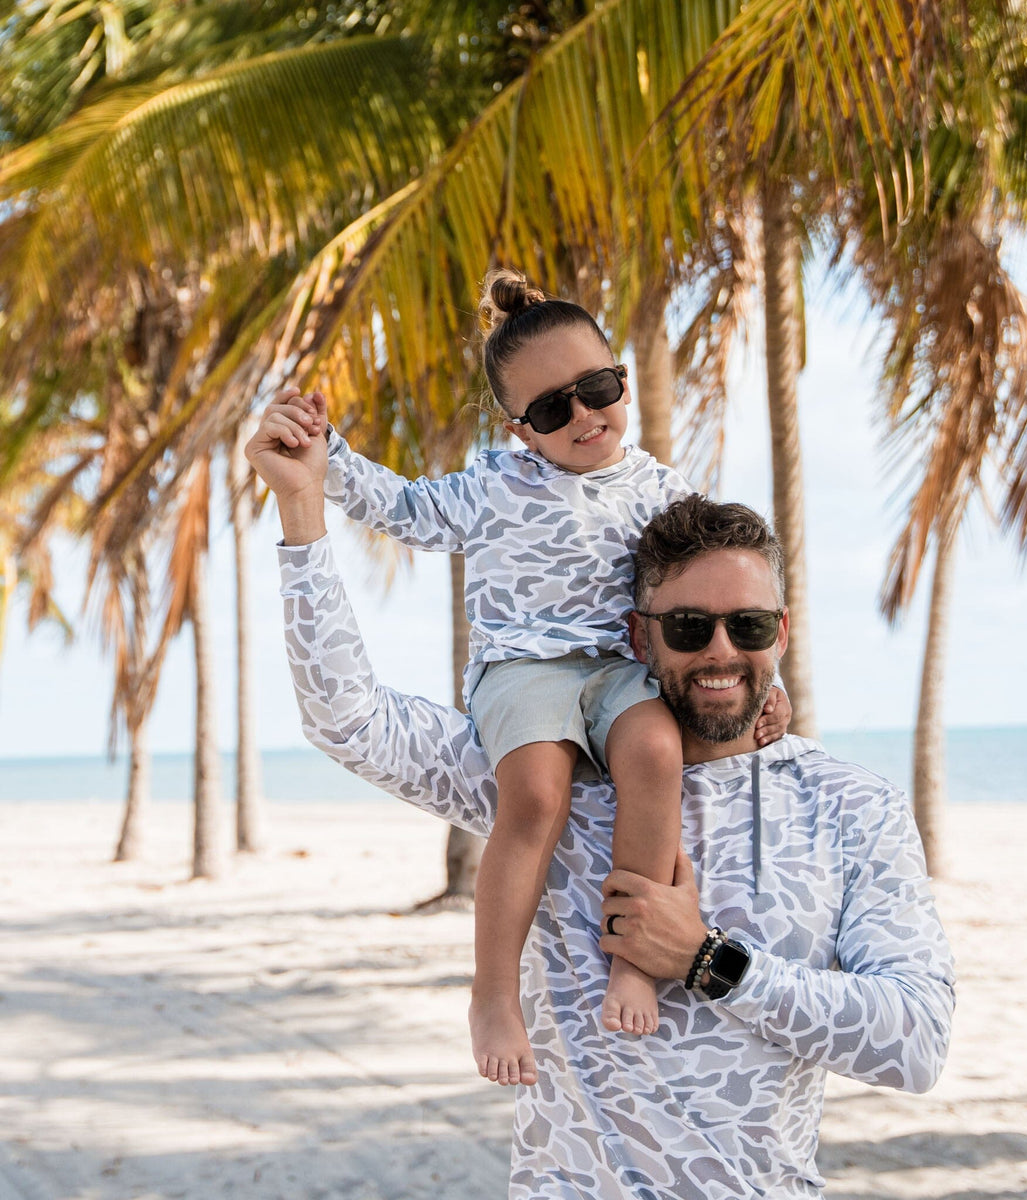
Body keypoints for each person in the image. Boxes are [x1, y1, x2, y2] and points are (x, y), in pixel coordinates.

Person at [247, 396, 956, 1196]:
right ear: (639, 636)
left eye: (749, 627)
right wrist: (304, 511)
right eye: (690, 627)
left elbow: (916, 1044)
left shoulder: (850, 806)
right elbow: (348, 720)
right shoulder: (553, 784)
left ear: (781, 633)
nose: (722, 651)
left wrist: (709, 962)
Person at [253, 269, 791, 1088]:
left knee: (655, 757)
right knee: (535, 794)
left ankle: (634, 957)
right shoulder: (496, 488)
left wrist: (766, 677)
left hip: (620, 671)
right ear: (521, 428)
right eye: (551, 408)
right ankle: (494, 992)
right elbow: (405, 509)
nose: (582, 415)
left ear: (623, 380)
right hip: (525, 671)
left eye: (597, 388)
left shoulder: (663, 492)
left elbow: (721, 589)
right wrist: (328, 462)